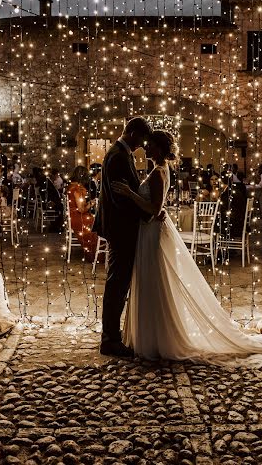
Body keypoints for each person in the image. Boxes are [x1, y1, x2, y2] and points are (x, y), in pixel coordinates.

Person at [112, 131, 262, 365]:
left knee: (155, 281)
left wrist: (128, 193)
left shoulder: (158, 172)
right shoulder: (159, 169)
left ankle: (157, 339)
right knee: (155, 281)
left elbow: (154, 209)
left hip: (152, 231)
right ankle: (154, 336)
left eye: (149, 146)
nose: (145, 149)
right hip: (150, 231)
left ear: (159, 148)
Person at [93, 116, 153, 358]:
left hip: (120, 227)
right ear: (131, 132)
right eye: (140, 139)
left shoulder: (121, 153)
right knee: (117, 284)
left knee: (118, 283)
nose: (142, 145)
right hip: (120, 228)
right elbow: (120, 199)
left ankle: (112, 335)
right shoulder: (118, 156)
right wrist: (147, 213)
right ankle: (110, 339)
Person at [67, 166, 97, 261]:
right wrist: (92, 203)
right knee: (97, 223)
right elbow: (81, 209)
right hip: (79, 218)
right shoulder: (78, 189)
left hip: (72, 217)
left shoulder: (70, 186)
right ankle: (96, 252)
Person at [218, 171, 247, 238]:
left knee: (214, 222)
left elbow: (224, 208)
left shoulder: (227, 193)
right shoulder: (234, 189)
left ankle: (212, 242)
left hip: (233, 224)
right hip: (240, 221)